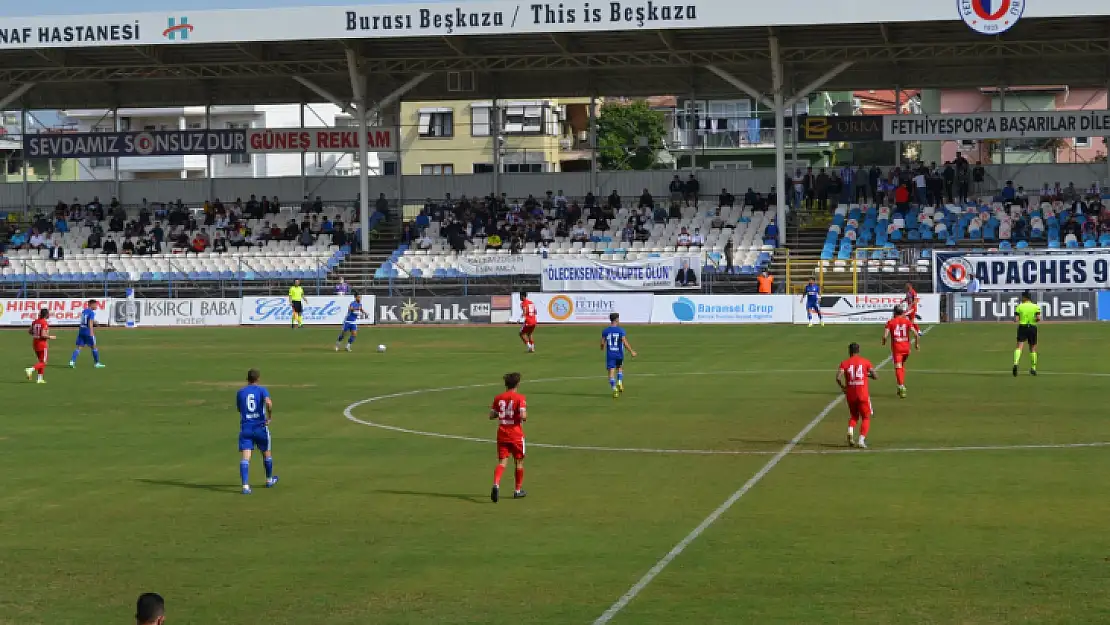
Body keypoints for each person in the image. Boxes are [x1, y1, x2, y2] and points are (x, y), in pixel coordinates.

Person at [237, 368, 277, 494]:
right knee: (266, 453)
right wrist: (269, 417)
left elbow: (239, 409)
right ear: (258, 379)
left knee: (245, 457)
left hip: (246, 428)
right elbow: (269, 404)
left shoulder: (240, 392)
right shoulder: (262, 390)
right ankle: (269, 480)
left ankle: (245, 486)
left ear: (247, 379)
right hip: (260, 427)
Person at [489, 372, 527, 503]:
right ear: (518, 384)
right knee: (519, 462)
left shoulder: (498, 398)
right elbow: (523, 416)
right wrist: (520, 416)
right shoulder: (520, 398)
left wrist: (502, 413)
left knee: (502, 461)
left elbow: (491, 415)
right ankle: (517, 490)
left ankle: (496, 483)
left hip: (502, 433)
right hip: (516, 434)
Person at [837, 343, 878, 448]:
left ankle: (850, 431)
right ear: (858, 351)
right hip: (863, 394)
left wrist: (843, 387)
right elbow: (875, 376)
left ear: (849, 351)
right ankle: (861, 440)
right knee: (866, 417)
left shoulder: (844, 363)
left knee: (854, 416)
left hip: (851, 394)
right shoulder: (865, 362)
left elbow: (838, 377)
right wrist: (867, 374)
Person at [882, 305, 919, 399]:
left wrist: (884, 341)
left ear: (894, 313)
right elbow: (916, 334)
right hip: (906, 349)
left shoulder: (890, 322)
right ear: (902, 313)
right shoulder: (907, 321)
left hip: (897, 349)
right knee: (901, 365)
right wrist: (916, 344)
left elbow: (885, 336)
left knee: (898, 367)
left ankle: (901, 386)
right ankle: (900, 386)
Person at [601, 312, 637, 399]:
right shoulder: (621, 330)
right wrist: (631, 351)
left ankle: (614, 389)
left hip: (610, 355)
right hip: (619, 354)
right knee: (620, 368)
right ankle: (620, 382)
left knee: (611, 373)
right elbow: (625, 342)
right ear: (616, 319)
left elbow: (602, 343)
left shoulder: (605, 331)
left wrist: (602, 347)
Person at [69, 300, 105, 369]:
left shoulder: (84, 311)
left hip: (81, 330)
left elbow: (86, 320)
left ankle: (72, 361)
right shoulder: (92, 313)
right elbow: (90, 323)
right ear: (91, 305)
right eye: (95, 305)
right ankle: (97, 363)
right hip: (88, 331)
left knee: (79, 347)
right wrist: (91, 332)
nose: (96, 306)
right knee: (94, 347)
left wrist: (94, 322)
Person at [1013, 291, 1041, 377]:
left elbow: (1016, 319)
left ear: (1025, 297)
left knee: (1019, 347)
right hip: (1032, 327)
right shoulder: (1035, 306)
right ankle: (1033, 368)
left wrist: (1015, 320)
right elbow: (1038, 318)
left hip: (1022, 327)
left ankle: (1015, 363)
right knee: (1032, 348)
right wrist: (1034, 320)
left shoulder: (1019, 306)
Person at [24, 308, 56, 384]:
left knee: (40, 361)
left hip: (35, 342)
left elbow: (30, 331)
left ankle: (39, 379)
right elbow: (43, 335)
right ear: (46, 314)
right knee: (44, 362)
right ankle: (30, 369)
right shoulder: (44, 323)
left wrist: (36, 334)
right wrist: (50, 337)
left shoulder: (35, 321)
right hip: (42, 344)